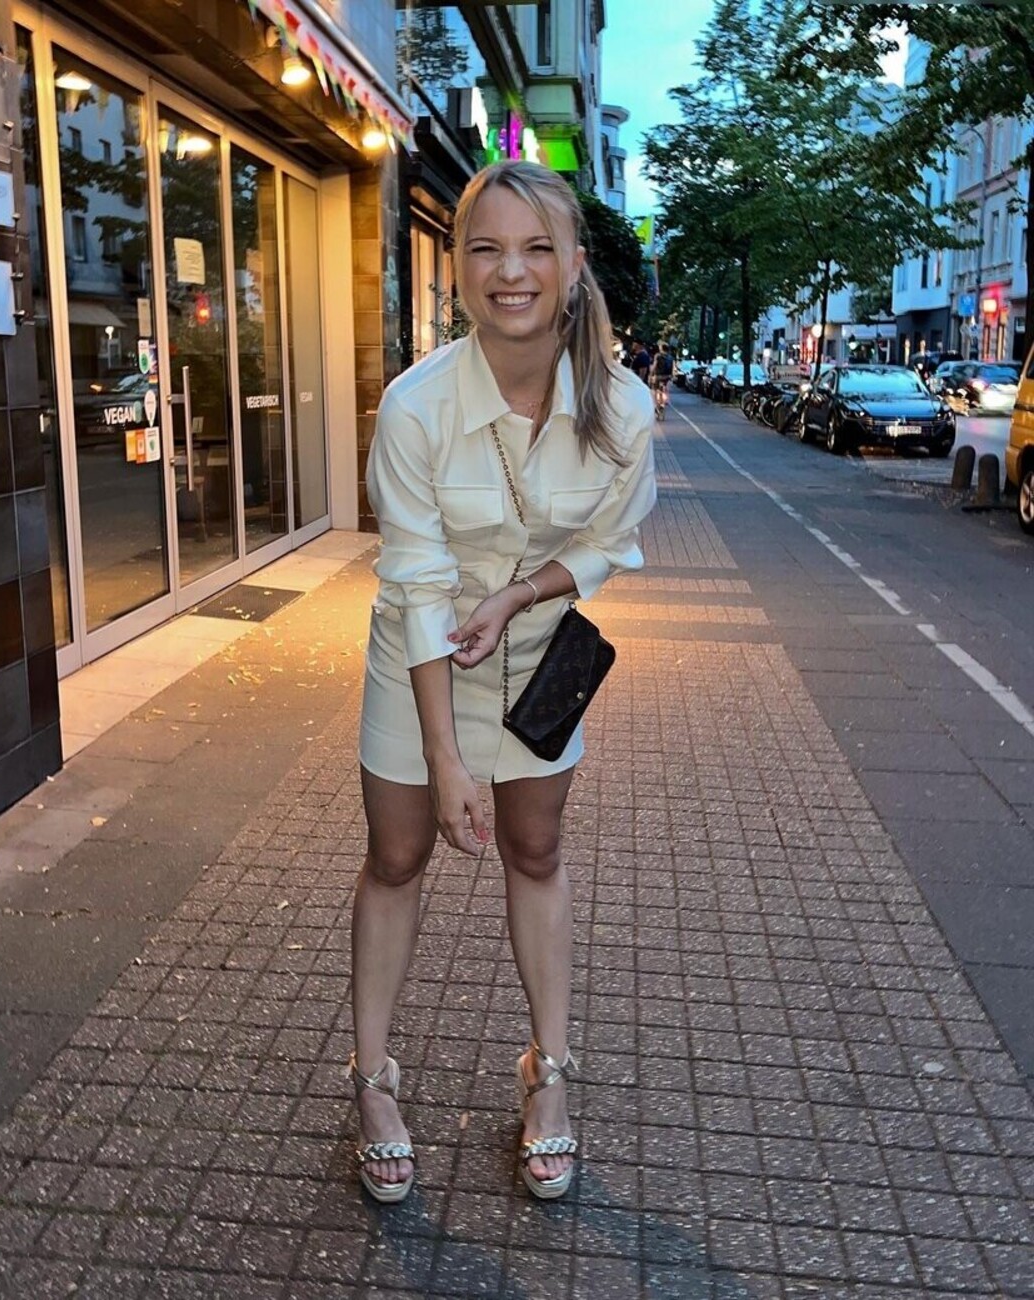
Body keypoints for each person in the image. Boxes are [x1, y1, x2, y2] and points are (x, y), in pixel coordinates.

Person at [350, 160, 657, 1205]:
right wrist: (445, 759)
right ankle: (373, 1082)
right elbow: (416, 584)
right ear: (457, 268)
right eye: (485, 248)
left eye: (535, 248)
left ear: (573, 265)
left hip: (539, 664)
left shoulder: (622, 406)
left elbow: (610, 543)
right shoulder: (416, 405)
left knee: (536, 849)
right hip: (418, 661)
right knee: (398, 856)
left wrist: (523, 592)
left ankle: (549, 1072)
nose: (510, 271)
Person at [651, 342, 674, 419]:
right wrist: (671, 376)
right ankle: (663, 404)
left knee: (655, 391)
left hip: (658, 376)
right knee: (665, 389)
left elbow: (654, 366)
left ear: (661, 348)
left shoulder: (658, 356)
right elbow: (672, 368)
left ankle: (656, 406)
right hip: (667, 377)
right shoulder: (671, 357)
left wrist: (651, 374)